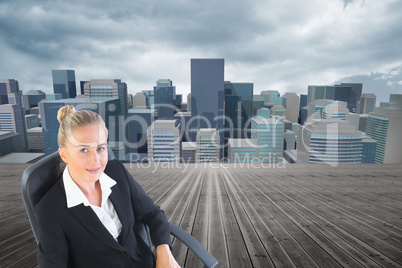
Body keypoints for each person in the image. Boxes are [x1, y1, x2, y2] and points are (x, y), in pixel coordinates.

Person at [36, 106, 180, 268]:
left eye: (100, 148)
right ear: (64, 155)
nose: (95, 160)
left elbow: (153, 214)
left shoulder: (116, 172)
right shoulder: (50, 209)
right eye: (83, 150)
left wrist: (164, 252)